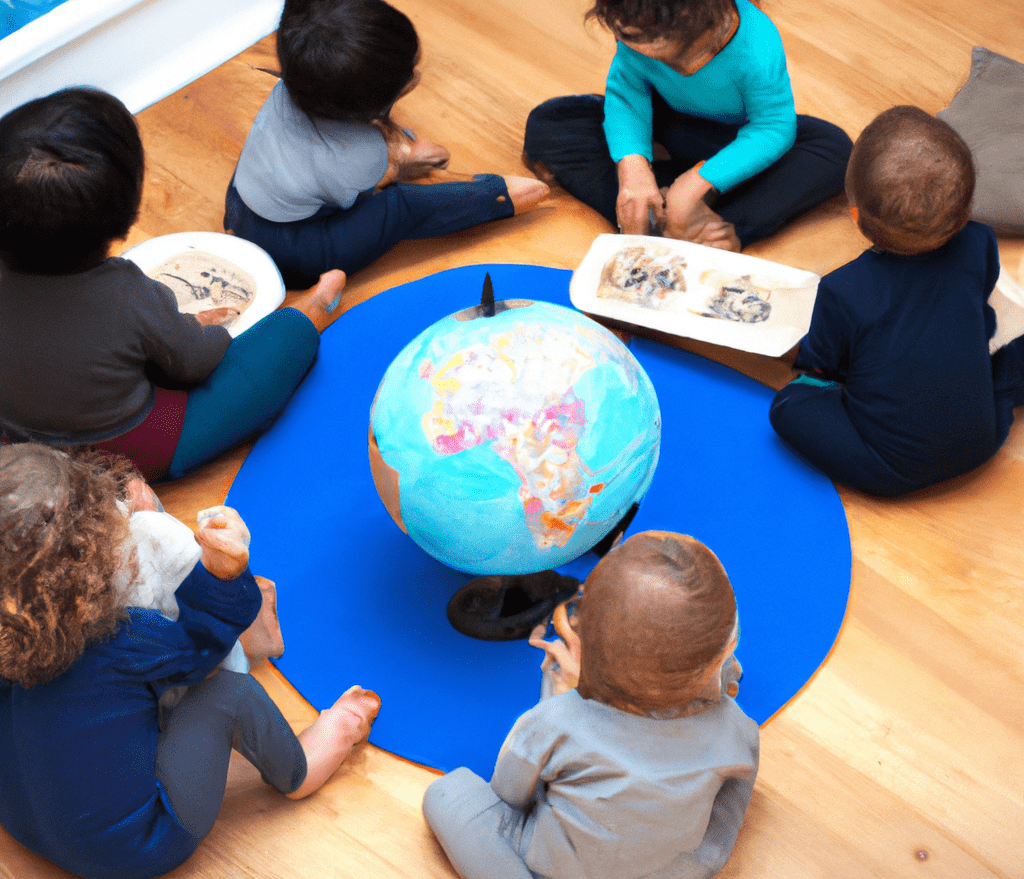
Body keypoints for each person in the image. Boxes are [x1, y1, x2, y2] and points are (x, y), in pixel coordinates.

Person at [0, 443, 381, 879]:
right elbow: (203, 651)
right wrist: (223, 575)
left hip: (18, 817)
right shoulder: (121, 638)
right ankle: (298, 769)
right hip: (137, 846)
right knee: (226, 691)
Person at [0, 86, 347, 482]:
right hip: (126, 449)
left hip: (18, 441)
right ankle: (313, 311)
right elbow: (195, 364)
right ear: (126, 216)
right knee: (280, 345)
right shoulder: (127, 293)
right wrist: (207, 330)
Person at [523, 0, 852, 251]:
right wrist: (633, 169)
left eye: (647, 42)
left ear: (696, 14)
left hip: (732, 141)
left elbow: (772, 127)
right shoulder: (636, 22)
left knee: (831, 148)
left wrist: (695, 183)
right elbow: (627, 93)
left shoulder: (754, 44)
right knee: (550, 121)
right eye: (622, 35)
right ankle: (671, 215)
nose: (632, 47)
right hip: (665, 126)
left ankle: (710, 222)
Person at [423, 531, 759, 879]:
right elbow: (735, 790)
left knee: (450, 793)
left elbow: (508, 794)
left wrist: (566, 695)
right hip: (674, 867)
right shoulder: (739, 731)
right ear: (726, 649)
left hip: (562, 867)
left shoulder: (555, 721)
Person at [223, 0, 549, 289]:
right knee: (399, 207)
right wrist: (392, 168)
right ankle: (496, 197)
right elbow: (357, 200)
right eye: (408, 75)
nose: (416, 73)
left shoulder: (296, 78)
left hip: (239, 203)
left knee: (357, 165)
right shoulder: (361, 154)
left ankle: (403, 158)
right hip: (296, 253)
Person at [770, 105, 1024, 496]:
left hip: (893, 466)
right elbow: (978, 302)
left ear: (855, 217)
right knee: (999, 360)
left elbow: (820, 362)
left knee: (788, 406)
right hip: (984, 437)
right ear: (963, 214)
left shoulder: (842, 290)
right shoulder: (978, 240)